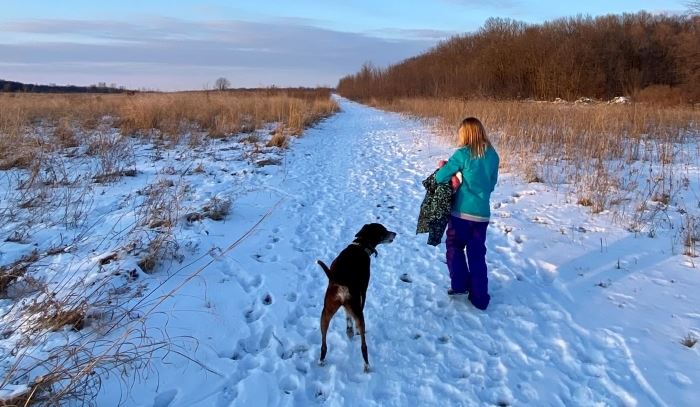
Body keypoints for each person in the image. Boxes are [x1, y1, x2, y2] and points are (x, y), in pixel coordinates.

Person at [434, 117, 499, 310]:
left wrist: (446, 167)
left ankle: (460, 286)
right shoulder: (493, 155)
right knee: (477, 254)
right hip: (482, 215)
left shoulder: (462, 154)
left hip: (461, 213)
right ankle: (480, 299)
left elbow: (440, 177)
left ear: (466, 133)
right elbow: (491, 184)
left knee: (454, 247)